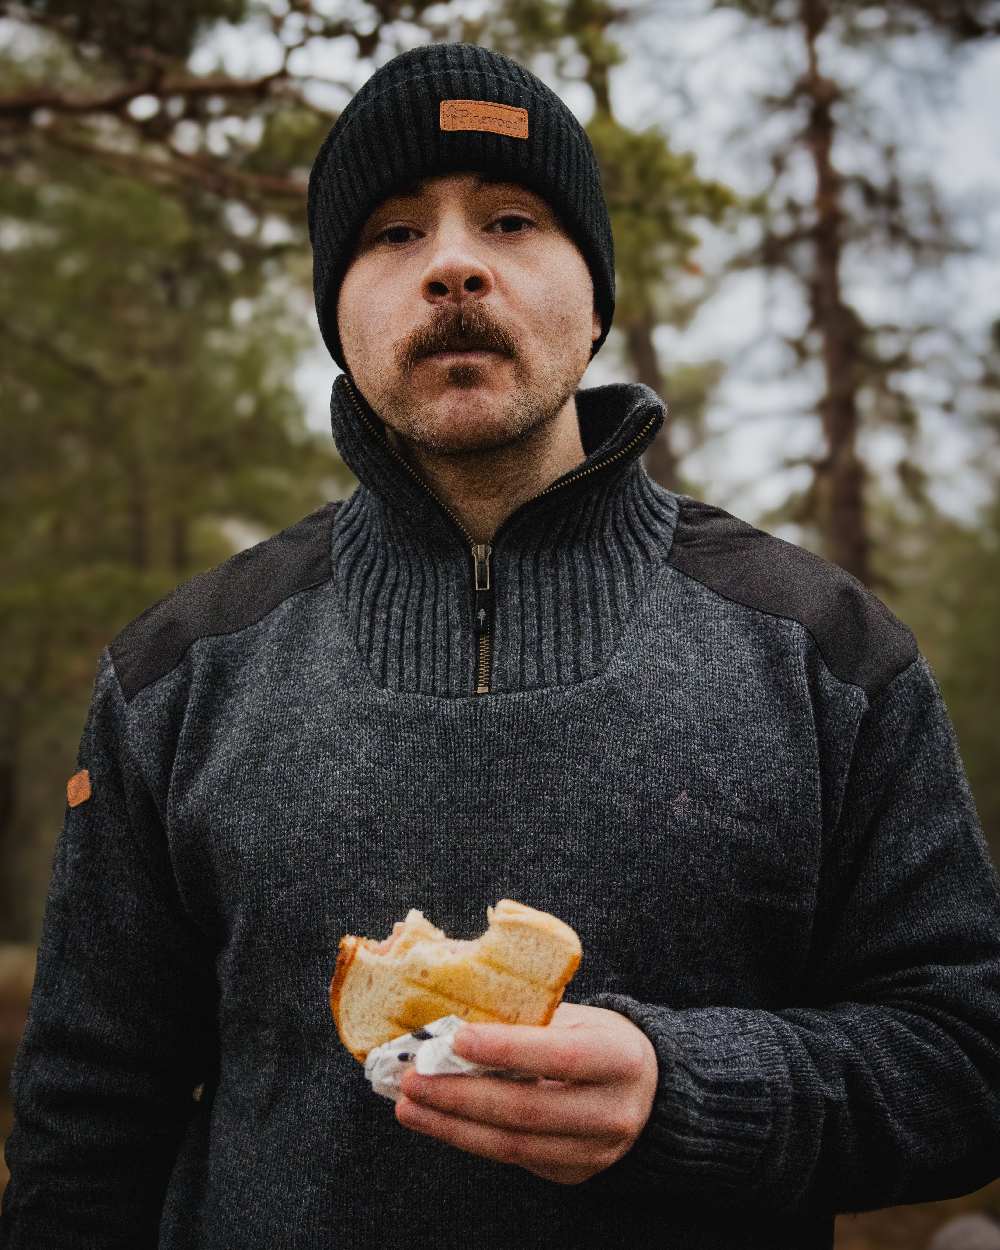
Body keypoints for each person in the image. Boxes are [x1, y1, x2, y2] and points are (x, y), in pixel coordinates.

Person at [1, 39, 999, 1250]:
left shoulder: (822, 651)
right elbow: (85, 1127)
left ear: (596, 301)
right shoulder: (180, 673)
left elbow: (968, 1056)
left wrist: (688, 1090)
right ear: (335, 315)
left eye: (513, 220)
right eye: (393, 232)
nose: (454, 264)